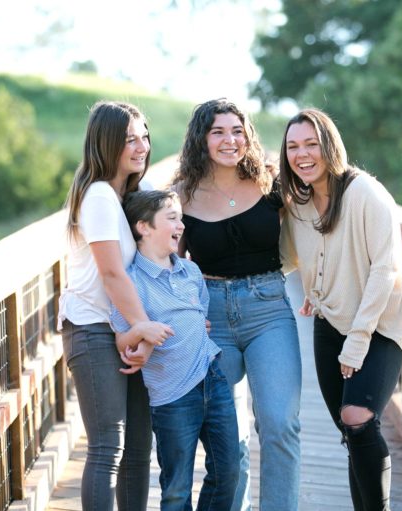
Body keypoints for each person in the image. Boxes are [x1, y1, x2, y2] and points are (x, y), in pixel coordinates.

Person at [279, 108, 402, 511]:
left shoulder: (366, 193)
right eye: (292, 146)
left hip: (379, 327)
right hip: (328, 323)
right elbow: (286, 259)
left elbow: (385, 270)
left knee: (357, 417)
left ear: (330, 145)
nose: (302, 154)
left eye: (311, 144)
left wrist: (357, 341)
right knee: (350, 431)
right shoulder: (299, 204)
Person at [174, 98, 302, 511]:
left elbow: (321, 221)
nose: (230, 140)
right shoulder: (181, 196)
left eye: (237, 131)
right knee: (228, 437)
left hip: (269, 310)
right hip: (211, 316)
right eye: (218, 132)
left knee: (280, 424)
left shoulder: (272, 181)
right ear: (201, 139)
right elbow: (169, 267)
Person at [58, 101, 174, 511]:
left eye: (144, 137)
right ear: (107, 142)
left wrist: (143, 330)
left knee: (138, 449)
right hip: (93, 329)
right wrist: (143, 329)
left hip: (127, 329)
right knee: (108, 447)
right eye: (130, 139)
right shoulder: (98, 197)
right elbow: (111, 273)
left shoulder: (132, 195)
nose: (142, 147)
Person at [111, 189, 239, 511]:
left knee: (228, 472)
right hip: (173, 396)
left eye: (181, 218)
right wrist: (142, 332)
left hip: (212, 378)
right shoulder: (132, 282)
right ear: (144, 227)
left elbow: (200, 319)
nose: (181, 225)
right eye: (172, 218)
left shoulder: (190, 271)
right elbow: (121, 340)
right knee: (176, 489)